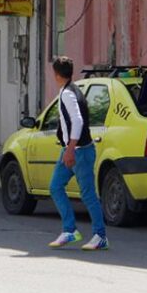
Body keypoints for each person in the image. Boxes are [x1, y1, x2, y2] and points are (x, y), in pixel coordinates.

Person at [47, 56, 109, 251]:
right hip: (72, 149)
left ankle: (100, 236)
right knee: (56, 186)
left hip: (79, 151)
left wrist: (71, 149)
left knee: (88, 194)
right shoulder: (72, 90)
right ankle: (69, 230)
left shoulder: (67, 94)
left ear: (56, 74)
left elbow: (78, 121)